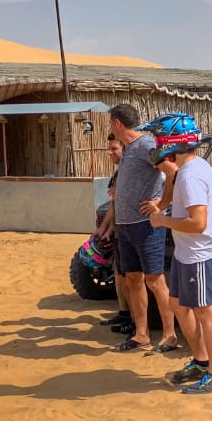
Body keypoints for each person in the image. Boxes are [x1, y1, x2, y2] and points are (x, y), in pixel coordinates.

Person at [139, 113, 212, 395]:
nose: (155, 144)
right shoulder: (188, 166)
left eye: (158, 138)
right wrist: (162, 202)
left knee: (206, 312)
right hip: (186, 252)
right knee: (178, 304)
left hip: (200, 253)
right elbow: (172, 178)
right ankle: (201, 360)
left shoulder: (191, 175)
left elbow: (198, 222)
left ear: (171, 142)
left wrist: (162, 220)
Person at [109, 103, 177, 353]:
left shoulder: (146, 146)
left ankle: (170, 335)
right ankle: (141, 335)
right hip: (126, 226)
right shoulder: (129, 149)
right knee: (133, 280)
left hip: (146, 225)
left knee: (155, 280)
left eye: (110, 124)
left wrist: (161, 203)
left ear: (117, 123)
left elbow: (172, 171)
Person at [96, 133, 133, 335]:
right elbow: (114, 204)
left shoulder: (131, 171)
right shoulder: (120, 171)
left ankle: (136, 323)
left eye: (114, 149)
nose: (110, 153)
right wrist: (106, 229)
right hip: (120, 229)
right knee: (120, 275)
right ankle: (124, 313)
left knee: (131, 279)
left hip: (131, 230)